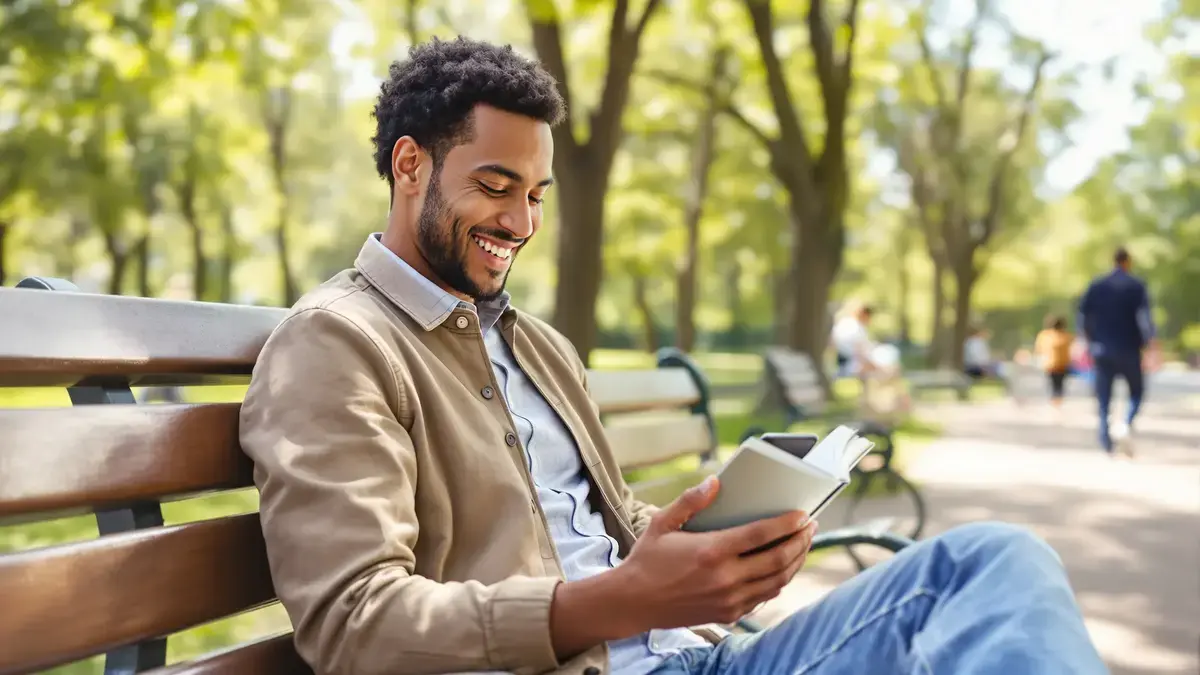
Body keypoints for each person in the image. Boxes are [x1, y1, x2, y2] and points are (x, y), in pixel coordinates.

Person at [238, 37, 1106, 675]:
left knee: (993, 561)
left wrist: (701, 553)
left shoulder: (534, 344)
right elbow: (353, 621)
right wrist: (621, 601)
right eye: (495, 186)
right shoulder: (337, 343)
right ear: (409, 165)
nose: (521, 223)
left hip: (689, 656)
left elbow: (591, 529)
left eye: (536, 194)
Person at [1077, 247, 1159, 457]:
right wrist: (1152, 344)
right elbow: (1145, 318)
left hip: (1101, 349)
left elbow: (1084, 316)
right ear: (1128, 262)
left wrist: (1085, 342)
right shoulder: (1137, 286)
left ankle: (1105, 439)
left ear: (1113, 261)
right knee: (1137, 392)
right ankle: (1125, 424)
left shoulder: (1097, 285)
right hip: (1130, 349)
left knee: (1104, 396)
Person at [1034, 315, 1074, 413]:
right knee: (1058, 384)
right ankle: (1057, 402)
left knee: (1055, 384)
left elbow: (1038, 349)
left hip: (1052, 365)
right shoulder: (1066, 336)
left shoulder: (1044, 335)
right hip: (1060, 365)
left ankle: (1055, 402)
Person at [830, 300, 875, 377]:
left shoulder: (844, 322)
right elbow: (859, 350)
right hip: (850, 360)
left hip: (842, 358)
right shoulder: (857, 327)